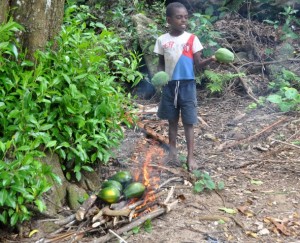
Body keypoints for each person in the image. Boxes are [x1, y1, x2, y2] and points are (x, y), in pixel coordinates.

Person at [154, 2, 216, 172]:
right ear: (169, 19)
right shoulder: (162, 40)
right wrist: (160, 79)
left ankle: (190, 157)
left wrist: (210, 60)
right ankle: (172, 153)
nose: (183, 20)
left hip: (187, 85)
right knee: (171, 120)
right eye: (179, 17)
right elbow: (161, 64)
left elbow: (198, 65)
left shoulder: (192, 39)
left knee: (189, 122)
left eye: (186, 17)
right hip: (169, 86)